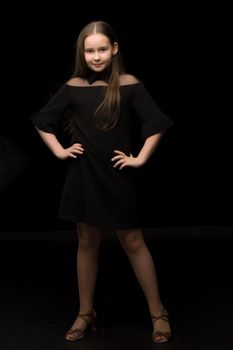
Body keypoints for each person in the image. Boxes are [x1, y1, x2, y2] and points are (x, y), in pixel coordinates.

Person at [30, 20, 174, 343]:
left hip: (116, 175)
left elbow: (156, 123)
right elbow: (43, 120)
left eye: (102, 49)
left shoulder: (129, 84)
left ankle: (158, 312)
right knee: (86, 241)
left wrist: (140, 158)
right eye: (90, 50)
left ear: (115, 49)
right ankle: (85, 313)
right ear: (83, 52)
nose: (96, 56)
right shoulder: (74, 86)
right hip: (82, 176)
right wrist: (59, 150)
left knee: (133, 241)